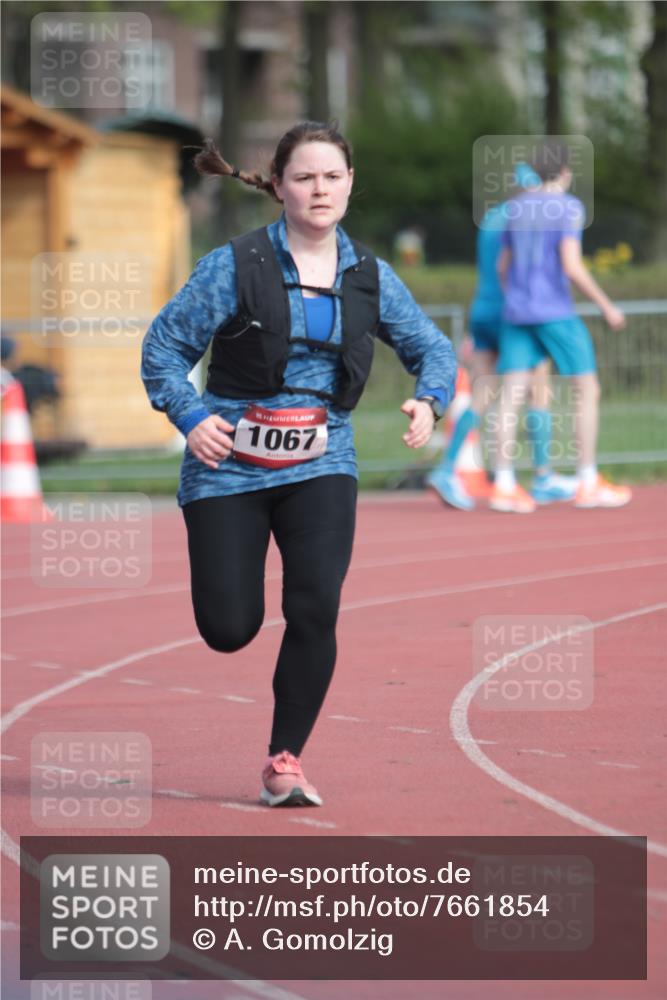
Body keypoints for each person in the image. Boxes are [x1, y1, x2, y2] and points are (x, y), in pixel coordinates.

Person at [141, 122, 456, 806]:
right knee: (229, 628)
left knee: (315, 606)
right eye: (305, 177)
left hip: (322, 460)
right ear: (278, 185)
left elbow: (432, 348)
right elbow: (162, 350)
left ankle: (284, 760)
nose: (320, 189)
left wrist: (429, 401)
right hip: (228, 463)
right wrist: (192, 419)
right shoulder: (234, 266)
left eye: (333, 177)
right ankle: (236, 628)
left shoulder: (368, 274)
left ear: (349, 185)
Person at [490, 143, 631, 513]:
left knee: (510, 396)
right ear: (565, 173)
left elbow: (503, 267)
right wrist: (607, 307)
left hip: (516, 312)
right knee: (586, 390)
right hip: (554, 310)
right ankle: (587, 480)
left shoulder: (515, 208)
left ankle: (504, 484)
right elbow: (571, 266)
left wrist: (517, 297)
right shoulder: (569, 207)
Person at [427, 163, 577, 511]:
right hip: (516, 314)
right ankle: (538, 477)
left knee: (482, 391)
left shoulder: (494, 216)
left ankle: (448, 467)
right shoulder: (530, 218)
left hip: (483, 309)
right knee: (536, 388)